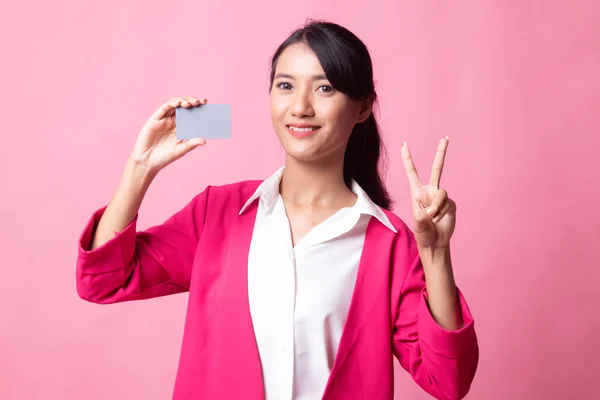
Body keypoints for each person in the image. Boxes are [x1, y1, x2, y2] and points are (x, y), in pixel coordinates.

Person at [76, 20, 478, 400]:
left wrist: (437, 255)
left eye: (324, 89)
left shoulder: (390, 243)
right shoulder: (217, 213)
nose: (300, 107)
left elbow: (447, 380)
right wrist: (140, 168)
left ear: (362, 107)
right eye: (285, 85)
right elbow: (103, 281)